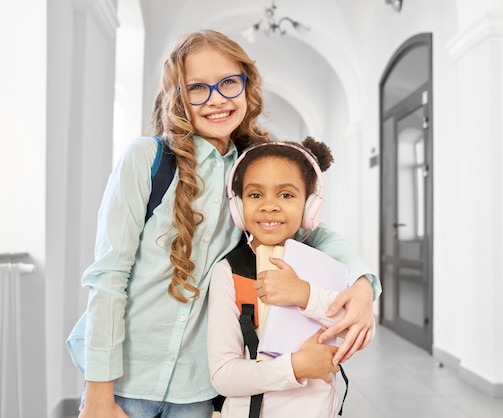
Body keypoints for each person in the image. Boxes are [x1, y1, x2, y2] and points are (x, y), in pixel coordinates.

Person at [66, 29, 381, 418]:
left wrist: (364, 285)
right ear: (178, 97)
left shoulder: (252, 171)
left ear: (248, 88)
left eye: (229, 82)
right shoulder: (147, 159)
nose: (216, 98)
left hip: (197, 392)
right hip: (125, 385)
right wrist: (99, 393)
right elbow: (109, 277)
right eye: (197, 87)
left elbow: (315, 234)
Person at [208, 138, 366, 417]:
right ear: (238, 204)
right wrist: (295, 367)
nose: (270, 206)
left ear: (309, 206)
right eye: (255, 195)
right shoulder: (230, 272)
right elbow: (223, 376)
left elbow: (358, 331)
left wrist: (304, 294)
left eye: (286, 195)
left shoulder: (324, 264)